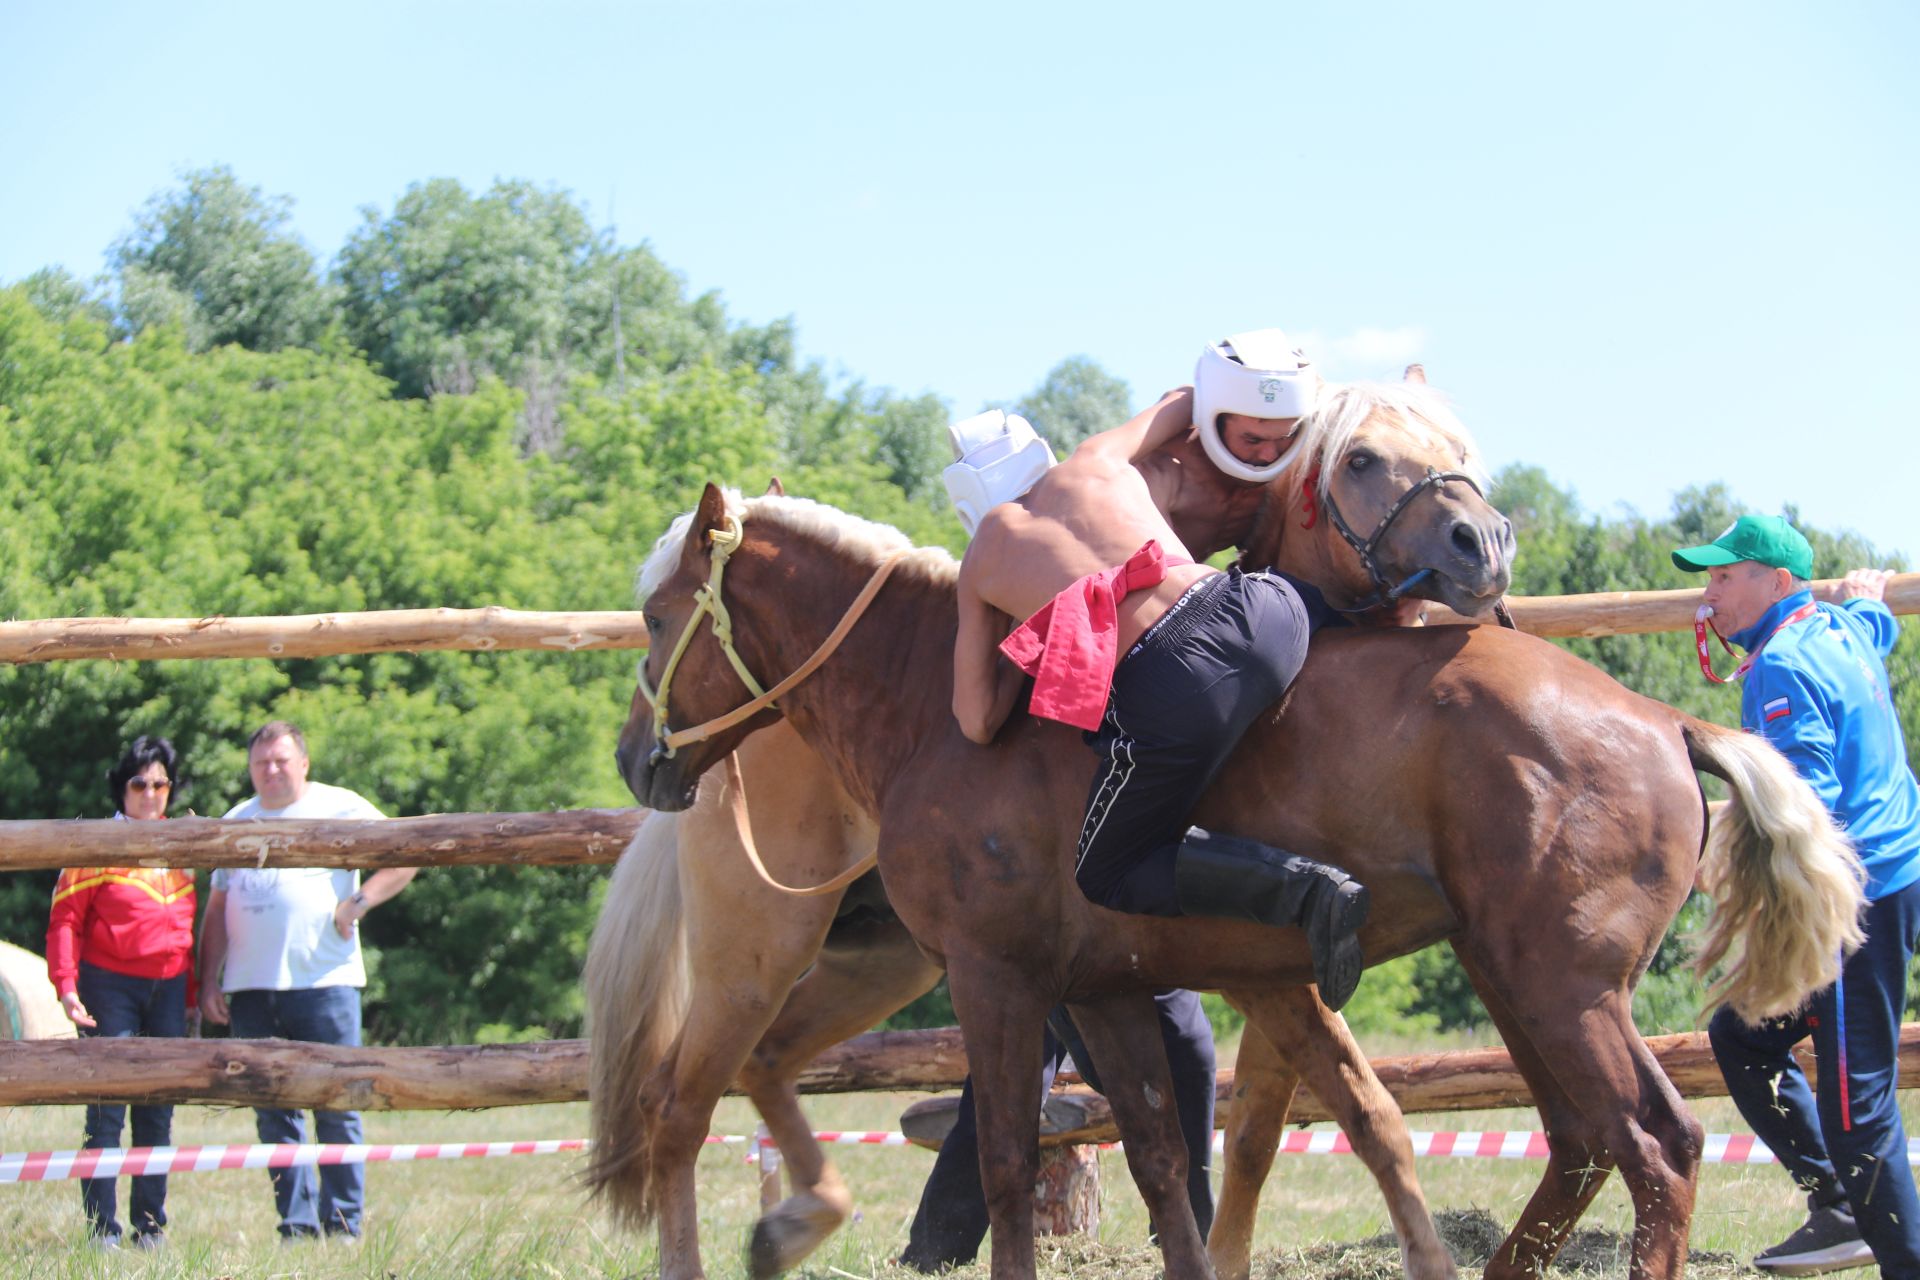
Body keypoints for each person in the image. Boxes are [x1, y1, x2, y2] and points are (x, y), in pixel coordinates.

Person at [952, 330, 1370, 1011]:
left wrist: (1010, 623)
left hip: (1177, 676)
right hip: (1260, 606)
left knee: (1108, 871)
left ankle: (1308, 890)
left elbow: (977, 722)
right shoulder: (1095, 465)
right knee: (1345, 611)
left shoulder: (984, 561)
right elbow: (1184, 400)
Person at [1674, 515, 1920, 1278]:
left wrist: (1698, 844)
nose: (1708, 594)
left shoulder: (1781, 667)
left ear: (1778, 584)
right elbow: (1874, 626)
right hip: (1894, 872)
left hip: (1855, 905)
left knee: (1858, 1111)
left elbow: (1808, 801)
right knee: (1744, 1038)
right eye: (1707, 577)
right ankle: (1839, 1205)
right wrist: (1869, 596)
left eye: (1724, 576)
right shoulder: (1841, 627)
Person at [197, 721, 417, 1243]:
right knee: (273, 1109)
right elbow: (218, 906)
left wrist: (359, 903)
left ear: (303, 763)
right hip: (251, 988)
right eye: (260, 763)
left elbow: (407, 851)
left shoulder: (341, 806)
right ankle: (295, 1223)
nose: (270, 771)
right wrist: (209, 979)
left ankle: (343, 1222)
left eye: (280, 760)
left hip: (325, 981)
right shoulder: (236, 819)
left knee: (338, 1101)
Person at [44, 735, 196, 1251]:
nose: (150, 793)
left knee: (158, 1109)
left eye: (160, 783)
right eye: (139, 783)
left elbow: (188, 929)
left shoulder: (184, 843)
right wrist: (67, 987)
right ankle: (101, 1230)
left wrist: (193, 994)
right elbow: (64, 920)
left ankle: (149, 1228)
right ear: (122, 787)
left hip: (169, 989)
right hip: (108, 986)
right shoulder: (95, 844)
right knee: (107, 1109)